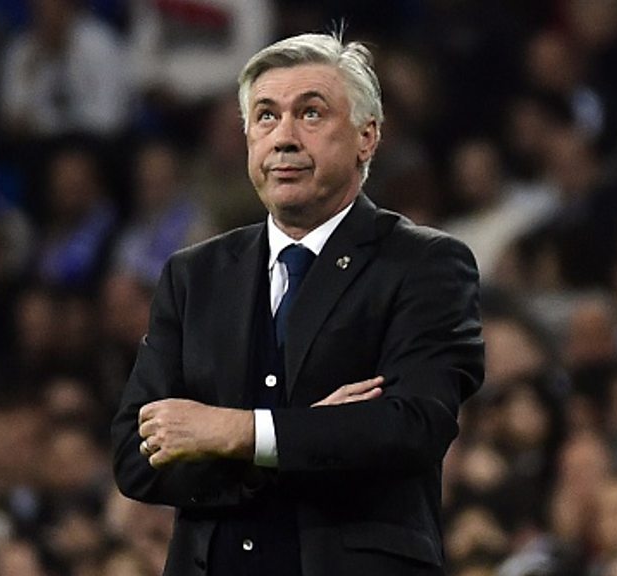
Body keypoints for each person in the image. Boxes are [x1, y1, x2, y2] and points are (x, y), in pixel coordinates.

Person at [111, 32, 485, 576]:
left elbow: (412, 427)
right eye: (266, 116)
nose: (284, 137)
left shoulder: (424, 264)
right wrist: (292, 441)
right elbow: (136, 458)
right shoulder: (194, 275)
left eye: (311, 113)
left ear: (366, 137)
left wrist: (236, 432)